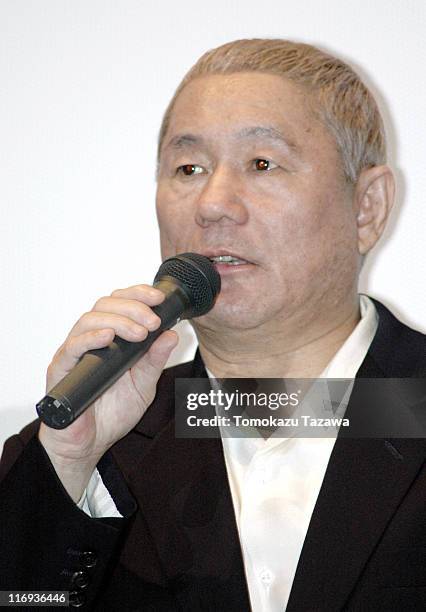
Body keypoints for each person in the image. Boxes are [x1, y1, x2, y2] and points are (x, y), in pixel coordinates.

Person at [1, 39, 425, 611]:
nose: (213, 204)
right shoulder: (84, 445)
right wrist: (69, 468)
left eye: (262, 164)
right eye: (189, 168)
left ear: (367, 208)